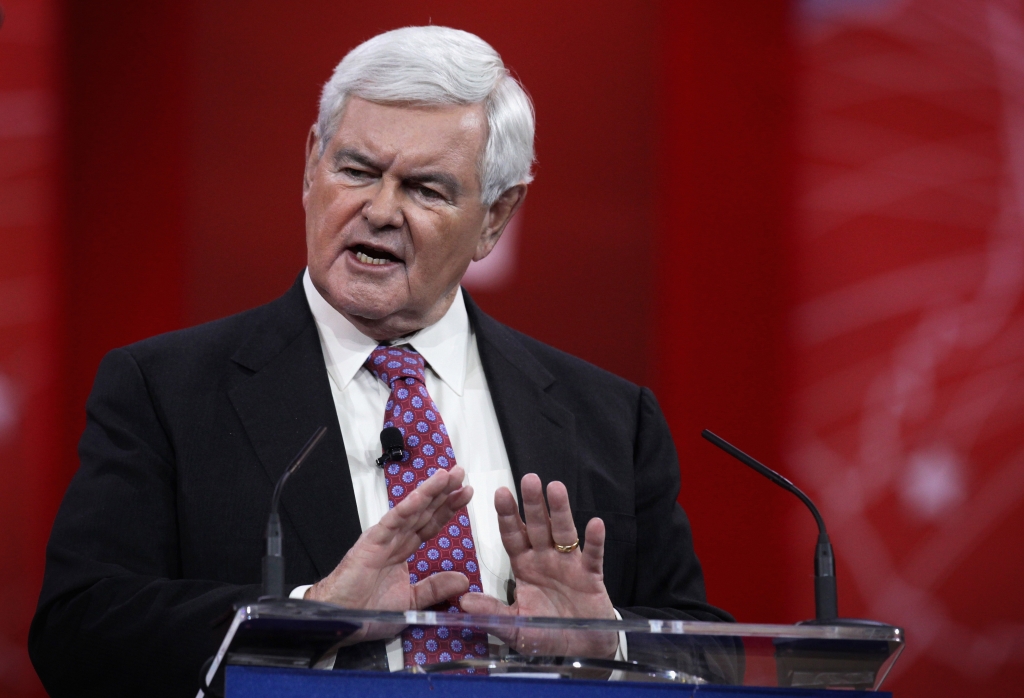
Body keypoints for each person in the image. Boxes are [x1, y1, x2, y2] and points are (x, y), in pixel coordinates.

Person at [29, 26, 732, 697]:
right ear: (312, 165)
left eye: (426, 189)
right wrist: (303, 617)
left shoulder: (609, 418)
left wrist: (606, 645)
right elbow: (77, 633)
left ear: (496, 217)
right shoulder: (167, 392)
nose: (379, 210)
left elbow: (716, 654)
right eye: (356, 170)